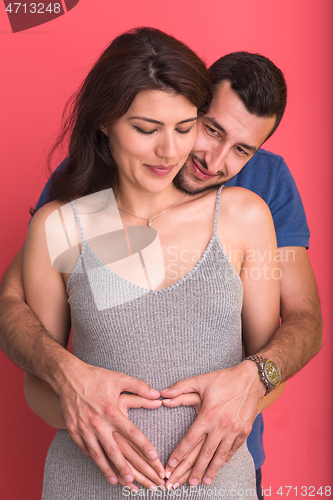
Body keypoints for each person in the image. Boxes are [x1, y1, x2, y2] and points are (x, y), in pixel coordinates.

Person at [0, 35, 321, 497]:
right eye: (209, 129)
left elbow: (302, 321)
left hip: (217, 477)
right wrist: (71, 387)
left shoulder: (250, 209)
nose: (207, 159)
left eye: (242, 149)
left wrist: (254, 381)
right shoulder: (72, 212)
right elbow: (15, 310)